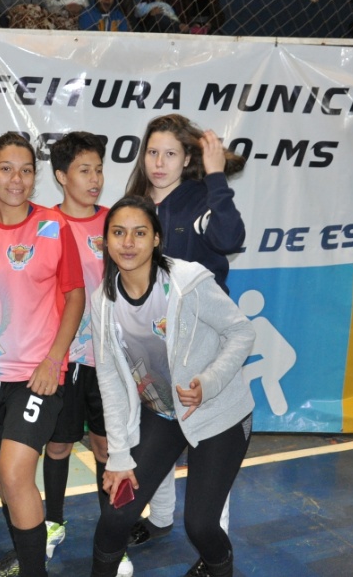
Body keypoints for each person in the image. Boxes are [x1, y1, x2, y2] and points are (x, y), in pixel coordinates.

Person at [89, 196, 256, 577]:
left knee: (200, 525)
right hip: (162, 415)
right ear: (106, 241)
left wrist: (208, 383)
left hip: (218, 414)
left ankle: (218, 570)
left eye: (139, 233)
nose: (128, 242)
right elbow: (111, 380)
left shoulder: (187, 283)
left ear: (157, 240)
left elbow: (241, 332)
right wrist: (118, 455)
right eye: (118, 233)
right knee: (117, 515)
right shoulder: (103, 301)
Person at [0, 132, 84, 577]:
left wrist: (54, 359)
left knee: (15, 473)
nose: (17, 179)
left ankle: (35, 572)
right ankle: (26, 555)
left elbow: (75, 296)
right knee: (2, 475)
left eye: (27, 169)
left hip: (38, 373)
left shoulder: (54, 226)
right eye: (7, 169)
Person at [123, 114, 247, 548]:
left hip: (202, 346)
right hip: (150, 343)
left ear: (187, 158)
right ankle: (158, 519)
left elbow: (230, 237)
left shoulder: (199, 200)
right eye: (152, 152)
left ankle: (217, 542)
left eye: (170, 154)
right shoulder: (135, 202)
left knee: (209, 446)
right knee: (153, 434)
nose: (159, 162)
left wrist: (216, 176)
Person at [40, 132, 133, 577]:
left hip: (109, 360)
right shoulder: (43, 224)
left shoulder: (117, 223)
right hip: (63, 357)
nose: (95, 179)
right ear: (61, 176)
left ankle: (112, 541)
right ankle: (52, 524)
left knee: (107, 448)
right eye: (84, 170)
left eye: (98, 169)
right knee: (57, 445)